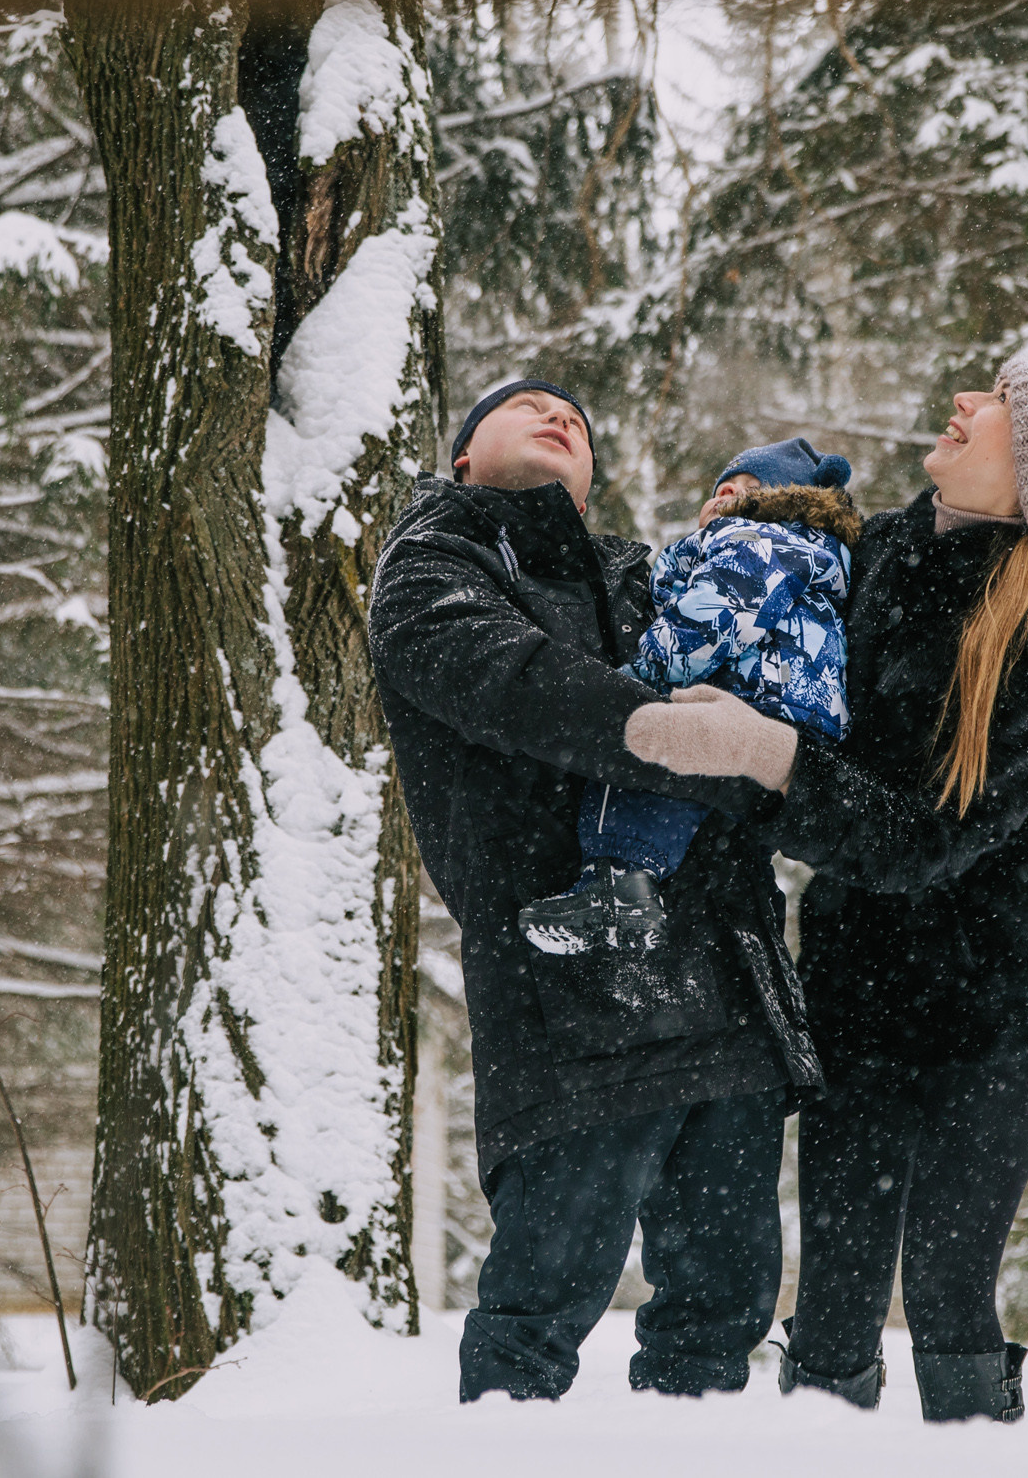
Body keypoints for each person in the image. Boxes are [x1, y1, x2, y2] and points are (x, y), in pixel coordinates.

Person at [622, 349, 1028, 1423]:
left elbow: (921, 842)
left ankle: (972, 1444)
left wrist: (766, 757)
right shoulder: (862, 556)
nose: (964, 401)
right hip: (863, 991)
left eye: (1001, 404)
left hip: (1003, 1008)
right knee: (834, 1292)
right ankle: (822, 1441)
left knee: (950, 1283)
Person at [365, 377, 821, 1404]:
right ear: (462, 457)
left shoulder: (646, 577)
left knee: (724, 1299)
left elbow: (756, 675)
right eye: (525, 406)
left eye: (576, 416)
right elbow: (512, 682)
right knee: (545, 1294)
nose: (560, 414)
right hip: (569, 974)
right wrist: (685, 739)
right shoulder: (436, 560)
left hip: (724, 967)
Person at [519, 437, 859, 957]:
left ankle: (618, 884)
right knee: (700, 799)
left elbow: (714, 616)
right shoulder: (809, 553)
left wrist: (644, 678)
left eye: (745, 490)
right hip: (791, 710)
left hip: (751, 692)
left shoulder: (756, 539)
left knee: (641, 759)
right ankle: (630, 887)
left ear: (783, 503)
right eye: (720, 488)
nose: (725, 498)